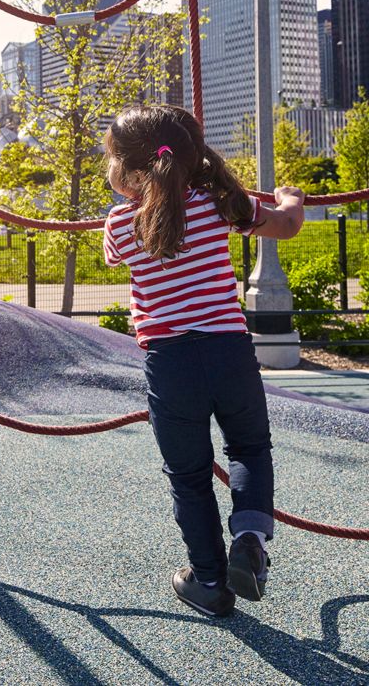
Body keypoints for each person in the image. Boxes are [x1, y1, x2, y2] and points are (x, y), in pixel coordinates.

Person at [103, 104, 305, 618]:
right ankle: (251, 538)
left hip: (170, 364)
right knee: (250, 449)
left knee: (188, 475)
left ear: (127, 169)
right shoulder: (218, 200)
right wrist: (292, 197)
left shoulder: (121, 222)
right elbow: (286, 226)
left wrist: (133, 193)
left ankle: (211, 583)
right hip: (229, 352)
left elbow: (119, 249)